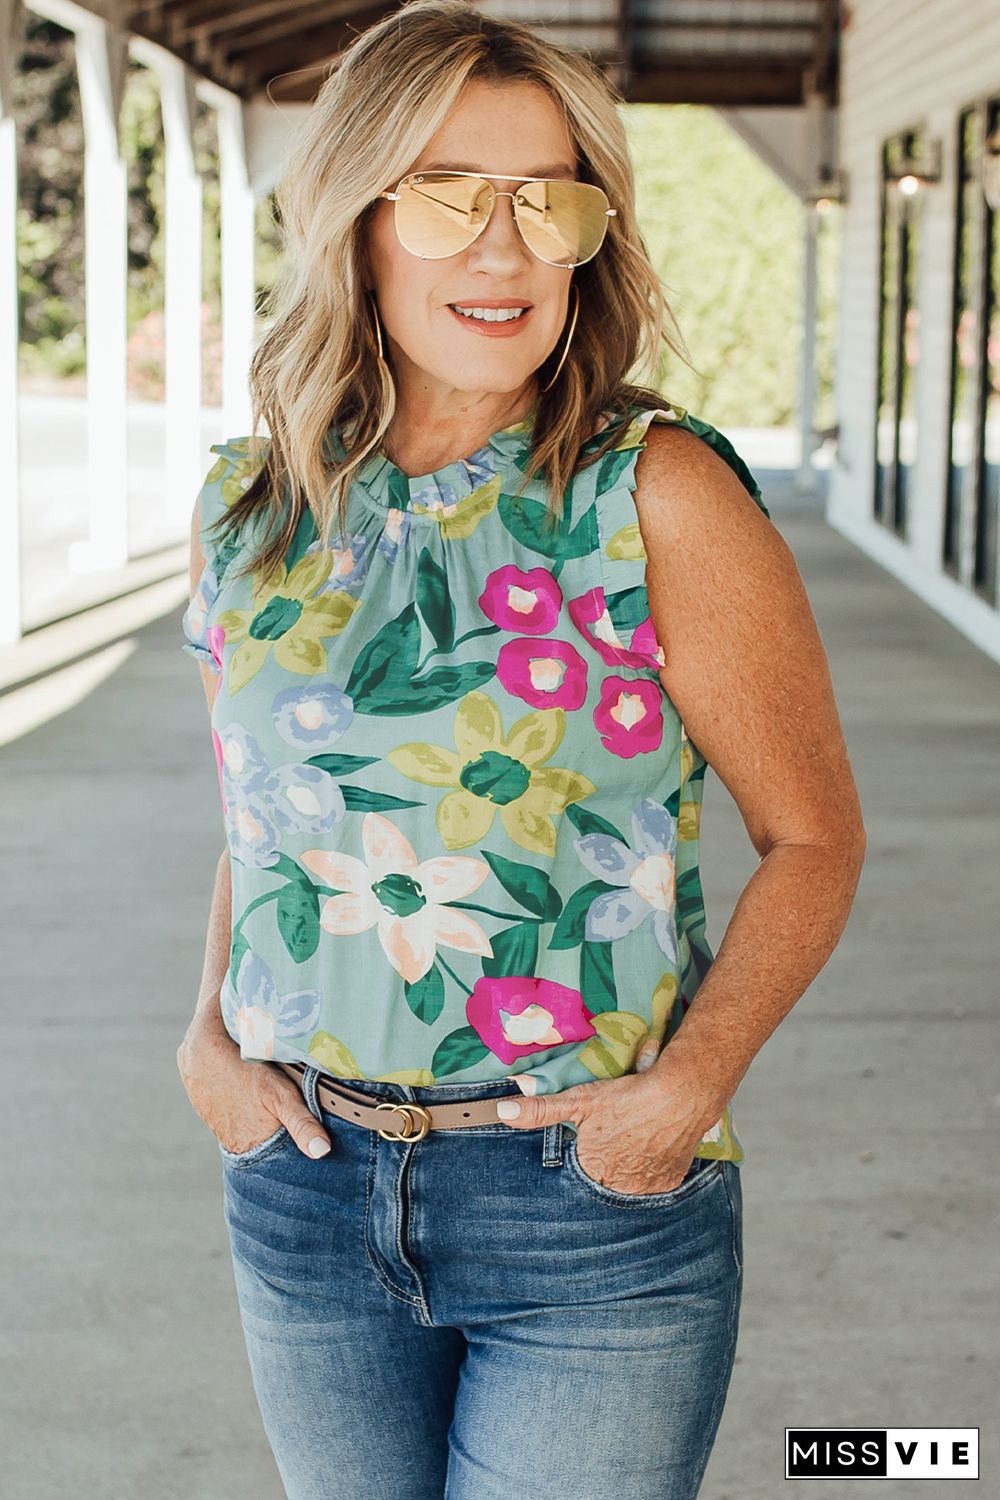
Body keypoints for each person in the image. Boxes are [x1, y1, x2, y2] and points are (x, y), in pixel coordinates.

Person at [175, 2, 866, 1496]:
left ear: (586, 239)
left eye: (547, 199)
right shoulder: (250, 505)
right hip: (301, 1187)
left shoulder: (654, 493)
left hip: (583, 1206)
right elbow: (269, 822)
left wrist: (684, 1094)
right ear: (356, 214)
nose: (503, 246)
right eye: (446, 193)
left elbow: (815, 840)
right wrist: (205, 1037)